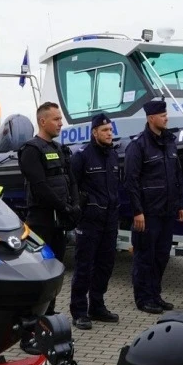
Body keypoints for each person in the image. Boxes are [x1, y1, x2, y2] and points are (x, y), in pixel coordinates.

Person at [124, 98, 183, 314]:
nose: (166, 118)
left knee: (161, 256)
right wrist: (137, 211)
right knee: (144, 256)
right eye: (162, 115)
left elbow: (176, 175)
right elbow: (131, 181)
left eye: (166, 114)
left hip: (167, 211)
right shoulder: (138, 146)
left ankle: (155, 295)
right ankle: (143, 299)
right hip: (148, 213)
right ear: (151, 118)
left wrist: (179, 204)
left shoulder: (170, 142)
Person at [18, 102, 81, 315]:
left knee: (55, 270)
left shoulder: (59, 149)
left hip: (59, 223)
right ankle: (31, 322)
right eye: (56, 119)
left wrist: (75, 205)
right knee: (39, 272)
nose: (60, 123)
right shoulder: (31, 150)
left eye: (60, 119)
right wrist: (64, 207)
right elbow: (40, 186)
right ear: (42, 121)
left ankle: (49, 314)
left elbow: (70, 179)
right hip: (41, 222)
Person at [68, 113, 121, 330]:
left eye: (110, 130)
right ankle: (79, 311)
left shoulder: (113, 156)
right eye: (105, 131)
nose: (110, 134)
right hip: (90, 221)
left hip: (109, 220)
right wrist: (78, 213)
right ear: (94, 132)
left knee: (105, 265)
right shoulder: (82, 156)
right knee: (84, 267)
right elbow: (72, 187)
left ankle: (96, 306)